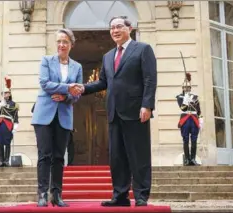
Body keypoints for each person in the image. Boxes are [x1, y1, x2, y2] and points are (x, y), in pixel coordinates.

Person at [71, 16, 157, 207]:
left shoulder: (143, 49)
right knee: (117, 157)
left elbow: (150, 79)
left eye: (119, 26)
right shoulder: (108, 56)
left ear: (130, 28)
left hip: (136, 111)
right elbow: (103, 82)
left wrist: (147, 105)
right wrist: (83, 88)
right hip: (113, 112)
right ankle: (120, 195)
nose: (115, 30)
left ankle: (141, 195)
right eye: (112, 28)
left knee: (138, 155)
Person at [31, 28, 83, 207]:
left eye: (66, 42)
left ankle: (57, 194)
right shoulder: (46, 60)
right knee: (44, 155)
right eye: (59, 41)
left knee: (59, 157)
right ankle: (42, 194)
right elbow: (45, 83)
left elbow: (78, 94)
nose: (62, 45)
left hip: (64, 115)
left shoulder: (77, 67)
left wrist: (66, 96)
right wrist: (68, 88)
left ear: (71, 45)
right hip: (44, 114)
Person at [175, 73, 203, 166]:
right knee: (185, 139)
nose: (187, 89)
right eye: (185, 88)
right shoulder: (180, 97)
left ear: (190, 88)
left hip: (194, 119)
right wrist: (186, 100)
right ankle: (187, 159)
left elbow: (198, 110)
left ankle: (193, 159)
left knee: (194, 140)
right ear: (183, 88)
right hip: (185, 119)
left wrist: (201, 119)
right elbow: (182, 108)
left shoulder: (195, 97)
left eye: (188, 88)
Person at [0, 76, 19, 167]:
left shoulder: (13, 104)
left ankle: (7, 160)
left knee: (7, 143)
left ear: (9, 94)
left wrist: (15, 126)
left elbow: (15, 116)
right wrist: (0, 105)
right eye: (4, 93)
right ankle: (1, 160)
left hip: (8, 124)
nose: (6, 94)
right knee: (0, 142)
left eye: (7, 93)